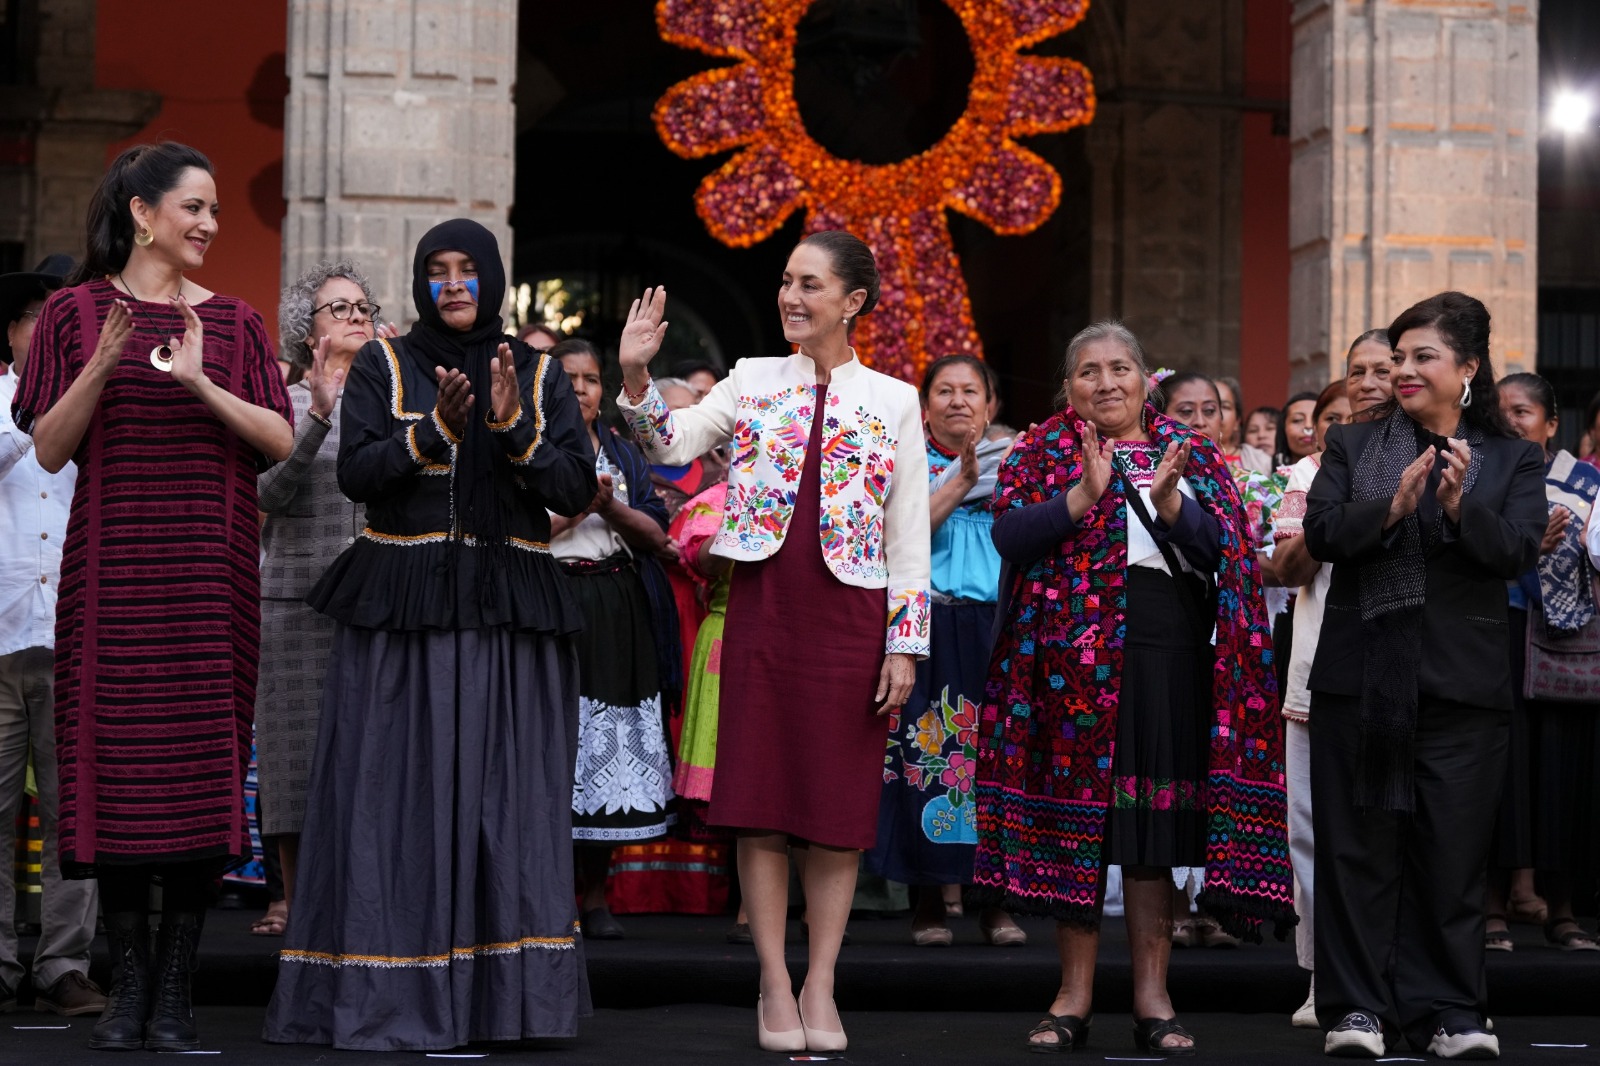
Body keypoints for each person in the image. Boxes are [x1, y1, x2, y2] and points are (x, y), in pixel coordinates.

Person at [262, 219, 599, 1051]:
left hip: (507, 614)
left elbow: (574, 484)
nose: (453, 285)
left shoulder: (541, 372)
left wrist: (515, 427)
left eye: (467, 271)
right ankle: (389, 994)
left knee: (503, 798)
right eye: (437, 272)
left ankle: (502, 1002)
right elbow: (358, 472)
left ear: (492, 278)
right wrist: (435, 434)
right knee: (393, 796)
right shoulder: (382, 363)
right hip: (403, 616)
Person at [615, 230, 930, 1054]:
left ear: (853, 302)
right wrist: (638, 375)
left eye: (810, 284)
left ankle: (822, 977)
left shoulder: (895, 398)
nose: (791, 296)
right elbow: (668, 444)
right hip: (760, 604)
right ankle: (774, 977)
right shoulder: (753, 380)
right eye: (787, 281)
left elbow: (908, 535)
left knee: (834, 808)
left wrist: (906, 644)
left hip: (850, 618)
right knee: (757, 804)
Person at [11, 142, 294, 1051]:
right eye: (195, 207)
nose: (211, 224)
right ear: (143, 212)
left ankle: (174, 993)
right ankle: (125, 989)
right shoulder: (70, 314)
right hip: (112, 582)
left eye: (215, 209)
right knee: (118, 787)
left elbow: (282, 442)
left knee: (200, 783)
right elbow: (51, 448)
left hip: (210, 585)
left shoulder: (241, 325)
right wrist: (102, 362)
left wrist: (203, 380)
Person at [973, 321, 1291, 1055]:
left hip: (1167, 655)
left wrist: (1174, 503)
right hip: (1066, 668)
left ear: (1146, 380)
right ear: (1068, 385)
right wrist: (1085, 493)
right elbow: (1011, 538)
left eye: (1120, 369)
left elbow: (1228, 553)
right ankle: (1072, 999)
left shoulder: (1194, 452)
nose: (1105, 383)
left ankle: (1154, 1000)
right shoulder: (1042, 448)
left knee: (1148, 833)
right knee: (1079, 831)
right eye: (1089, 371)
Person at [1305, 291, 1544, 1059]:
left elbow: (1516, 550)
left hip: (1461, 687)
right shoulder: (1354, 446)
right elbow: (1320, 534)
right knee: (1357, 852)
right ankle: (1357, 1010)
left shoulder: (1511, 456)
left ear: (1467, 369)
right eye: (1398, 357)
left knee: (1451, 855)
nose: (1402, 370)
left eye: (1421, 357)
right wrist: (1386, 510)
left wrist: (1456, 506)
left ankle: (1450, 1012)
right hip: (1363, 682)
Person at [865, 355, 1024, 948]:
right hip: (925, 627)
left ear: (992, 404)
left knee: (997, 766)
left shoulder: (1019, 466)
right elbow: (898, 537)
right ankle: (928, 900)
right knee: (926, 764)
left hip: (999, 626)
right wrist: (959, 480)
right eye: (944, 391)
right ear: (924, 404)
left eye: (971, 392)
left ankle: (995, 904)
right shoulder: (907, 462)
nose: (958, 401)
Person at [1269, 329, 1392, 1029]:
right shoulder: (1307, 478)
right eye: (1335, 414)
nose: (1365, 393)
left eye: (1381, 372)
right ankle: (1323, 979)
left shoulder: (1425, 460)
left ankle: (1393, 977)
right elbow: (1282, 565)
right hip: (1319, 669)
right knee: (1313, 833)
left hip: (1405, 672)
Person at [254, 260, 381, 933]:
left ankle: (363, 927)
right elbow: (266, 496)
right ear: (309, 333)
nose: (358, 316)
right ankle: (302, 922)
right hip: (297, 606)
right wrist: (317, 419)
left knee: (373, 776)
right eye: (341, 308)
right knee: (296, 777)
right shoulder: (283, 400)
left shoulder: (396, 400)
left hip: (381, 613)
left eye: (364, 306)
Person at [0, 254, 105, 1018]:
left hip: (73, 632)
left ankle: (64, 964)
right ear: (11, 331)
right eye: (39, 315)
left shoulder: (98, 401)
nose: (52, 328)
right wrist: (32, 412)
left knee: (75, 816)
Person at [550, 338, 679, 941]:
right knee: (555, 746)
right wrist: (580, 507)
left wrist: (613, 509)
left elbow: (659, 533)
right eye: (569, 378)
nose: (581, 388)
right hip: (552, 602)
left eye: (592, 378)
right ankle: (548, 895)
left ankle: (596, 897)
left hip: (617, 603)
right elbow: (519, 525)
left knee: (608, 750)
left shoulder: (625, 454)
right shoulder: (530, 449)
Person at [1487, 373, 1600, 952]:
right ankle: (1492, 910)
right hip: (1495, 632)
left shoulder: (1582, 483)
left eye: (1524, 411)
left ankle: (1563, 910)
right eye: (1500, 410)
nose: (1510, 421)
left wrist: (1569, 548)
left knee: (1560, 771)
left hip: (1564, 642)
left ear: (1552, 424)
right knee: (1500, 768)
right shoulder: (1482, 476)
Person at [1275, 392, 1319, 469]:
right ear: (1283, 428)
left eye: (1316, 419)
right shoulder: (1263, 476)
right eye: (1297, 420)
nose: (1308, 426)